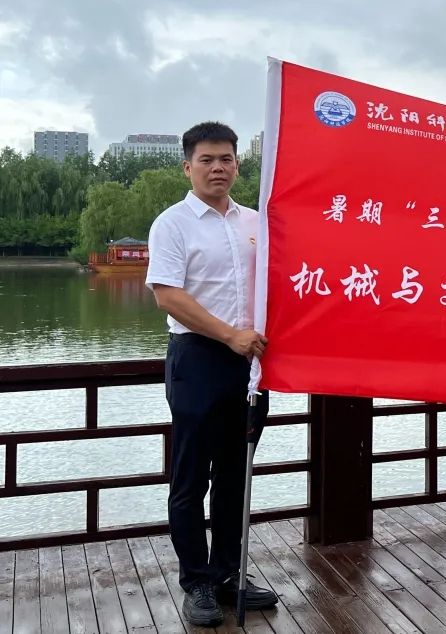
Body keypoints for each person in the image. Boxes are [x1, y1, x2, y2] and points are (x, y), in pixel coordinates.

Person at [146, 121, 278, 625]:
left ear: (237, 165)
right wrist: (229, 335)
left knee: (234, 476)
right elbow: (168, 296)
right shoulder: (173, 224)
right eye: (206, 160)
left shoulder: (257, 222)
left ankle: (227, 574)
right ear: (188, 166)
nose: (217, 168)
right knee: (190, 478)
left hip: (248, 364)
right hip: (198, 359)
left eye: (226, 159)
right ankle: (196, 582)